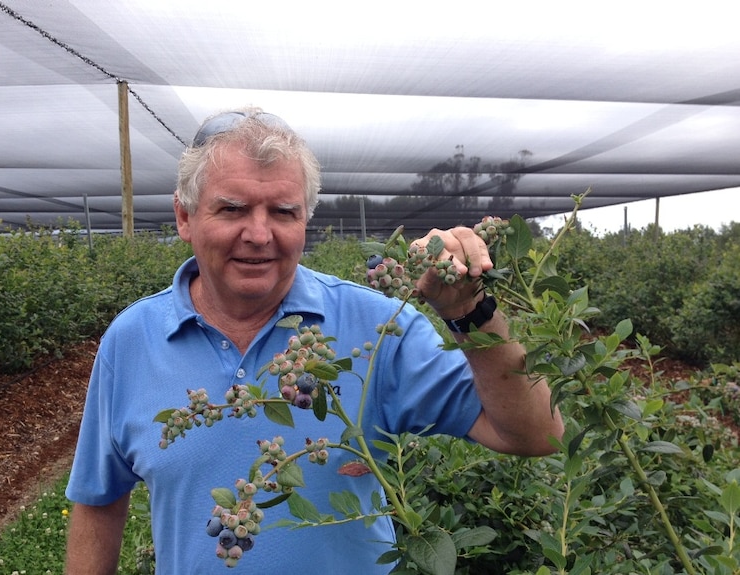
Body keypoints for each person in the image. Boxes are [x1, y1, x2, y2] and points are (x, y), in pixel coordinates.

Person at [64, 107, 564, 574]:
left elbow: (537, 434)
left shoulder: (379, 327)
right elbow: (97, 500)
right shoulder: (131, 341)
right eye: (233, 209)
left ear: (306, 221)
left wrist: (469, 311)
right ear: (185, 218)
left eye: (283, 212)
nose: (259, 234)